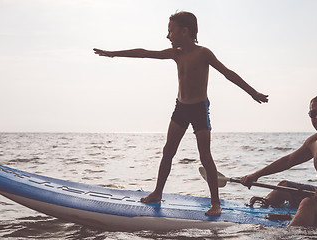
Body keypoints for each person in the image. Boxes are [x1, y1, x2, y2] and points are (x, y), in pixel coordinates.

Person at [94, 11, 268, 216]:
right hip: (181, 108)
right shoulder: (175, 53)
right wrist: (114, 53)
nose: (168, 35)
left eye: (170, 31)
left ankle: (216, 203)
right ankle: (158, 192)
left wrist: (252, 92)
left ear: (185, 31)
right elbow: (144, 53)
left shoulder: (203, 53)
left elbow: (227, 73)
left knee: (205, 156)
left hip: (199, 109)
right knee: (168, 151)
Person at [241, 94, 317, 226]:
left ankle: (292, 234)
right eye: (313, 113)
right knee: (283, 186)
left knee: (308, 202)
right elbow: (288, 160)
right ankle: (259, 219)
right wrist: (256, 175)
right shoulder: (313, 141)